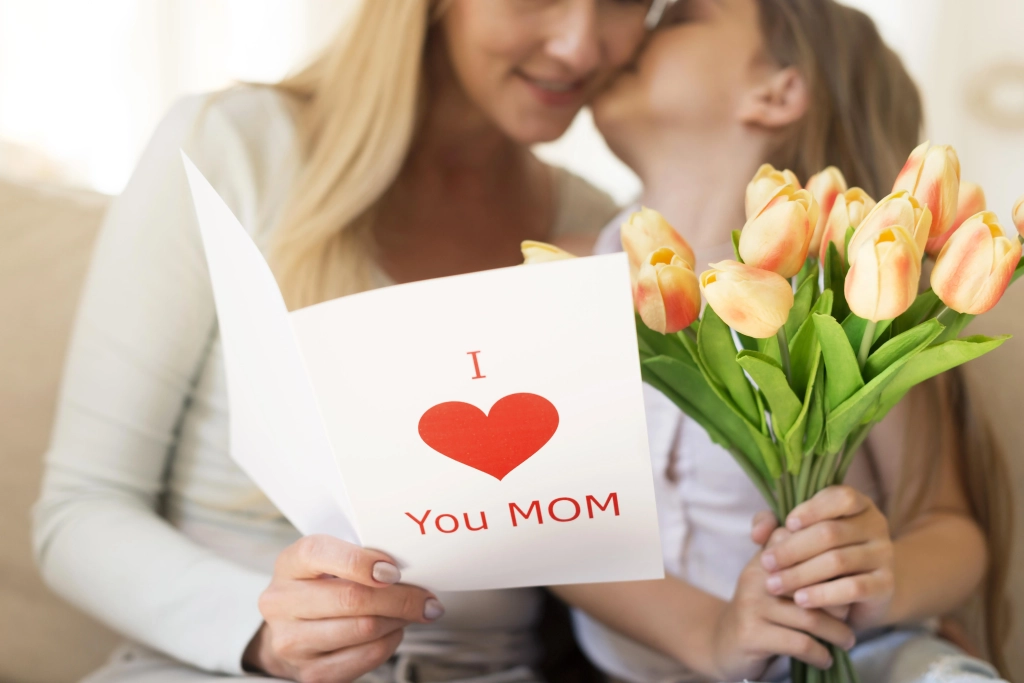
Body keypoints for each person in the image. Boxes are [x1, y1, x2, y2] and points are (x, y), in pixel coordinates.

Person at [31, 2, 659, 682]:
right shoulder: (231, 147)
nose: (580, 46)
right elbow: (78, 511)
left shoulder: (596, 232)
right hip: (219, 667)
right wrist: (264, 626)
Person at [556, 0, 1013, 681]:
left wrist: (881, 582)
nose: (624, 36)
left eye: (678, 20)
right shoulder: (562, 278)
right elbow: (553, 533)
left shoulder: (861, 285)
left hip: (857, 653)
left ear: (778, 90)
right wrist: (713, 633)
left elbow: (944, 520)